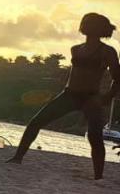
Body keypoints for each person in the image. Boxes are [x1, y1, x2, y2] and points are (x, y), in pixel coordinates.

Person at [7, 12, 120, 180]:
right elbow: (74, 74)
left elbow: (117, 78)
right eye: (84, 22)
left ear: (98, 29)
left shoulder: (107, 51)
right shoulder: (75, 49)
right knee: (36, 122)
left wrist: (107, 97)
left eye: (88, 23)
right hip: (69, 94)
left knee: (94, 136)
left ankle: (98, 176)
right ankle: (17, 158)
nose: (84, 26)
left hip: (91, 98)